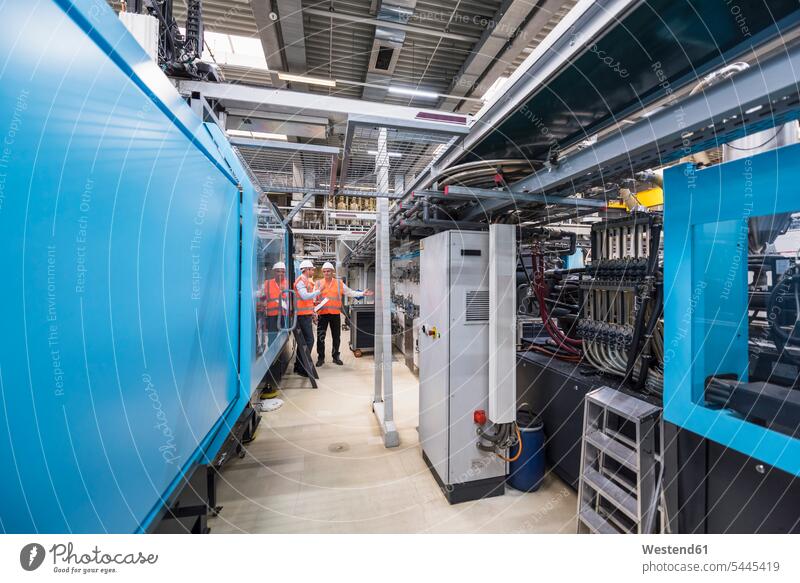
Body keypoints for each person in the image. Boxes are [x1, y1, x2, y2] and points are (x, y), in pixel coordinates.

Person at [314, 262, 373, 366]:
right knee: (320, 337)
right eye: (324, 271)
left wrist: (362, 293)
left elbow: (350, 292)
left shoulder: (339, 283)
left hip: (335, 314)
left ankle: (336, 357)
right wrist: (314, 306)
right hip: (322, 314)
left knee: (336, 337)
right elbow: (313, 298)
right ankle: (321, 358)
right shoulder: (318, 283)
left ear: (332, 272)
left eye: (328, 271)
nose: (326, 273)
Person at [293, 259, 321, 377]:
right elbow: (304, 296)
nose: (313, 271)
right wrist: (318, 292)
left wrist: (313, 312)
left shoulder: (306, 281)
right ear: (307, 270)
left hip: (305, 315)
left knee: (304, 342)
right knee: (310, 340)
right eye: (312, 269)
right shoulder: (301, 281)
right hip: (302, 316)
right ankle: (303, 367)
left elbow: (307, 300)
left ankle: (298, 366)